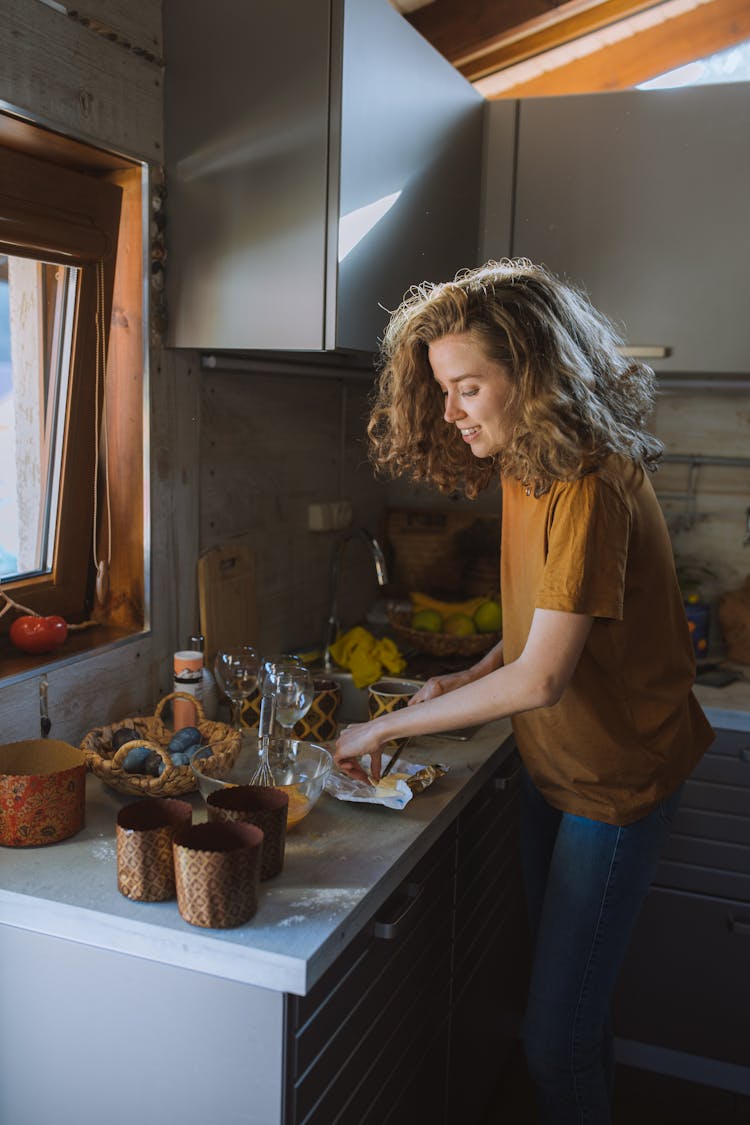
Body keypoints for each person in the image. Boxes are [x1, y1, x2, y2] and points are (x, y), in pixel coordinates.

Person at [333, 259, 714, 1125]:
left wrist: (374, 733)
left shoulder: (587, 479)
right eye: (442, 388)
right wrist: (468, 673)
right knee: (574, 1014)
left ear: (533, 375)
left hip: (615, 784)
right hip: (557, 767)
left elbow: (543, 675)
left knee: (554, 1038)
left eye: (468, 386)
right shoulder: (527, 458)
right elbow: (547, 613)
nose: (450, 411)